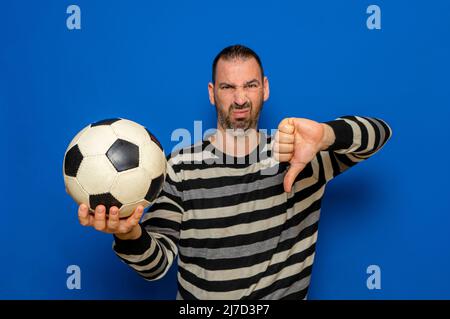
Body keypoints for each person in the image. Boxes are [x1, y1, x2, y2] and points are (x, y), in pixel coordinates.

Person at [77, 45, 392, 300]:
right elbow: (156, 267)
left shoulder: (301, 155)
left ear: (265, 88)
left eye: (250, 85)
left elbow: (380, 133)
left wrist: (325, 135)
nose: (240, 98)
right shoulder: (179, 167)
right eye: (228, 87)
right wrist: (127, 233)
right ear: (213, 93)